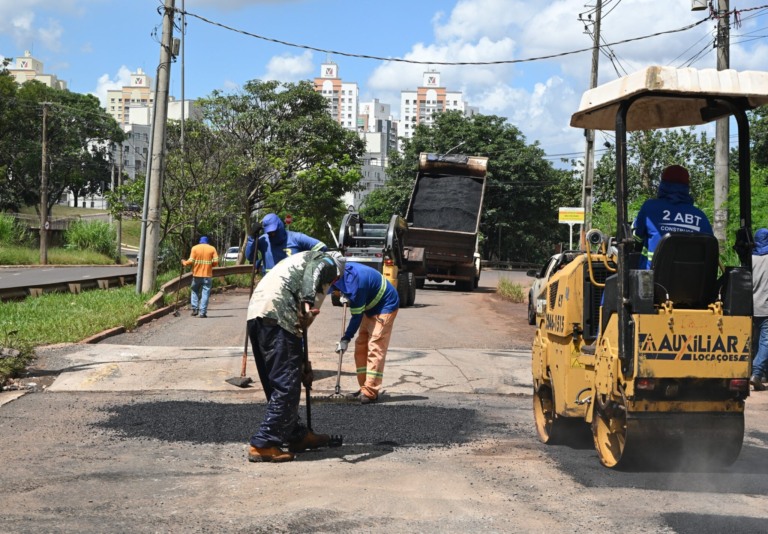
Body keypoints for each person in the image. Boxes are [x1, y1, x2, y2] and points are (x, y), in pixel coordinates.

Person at [246, 250, 345, 463]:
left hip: (258, 316)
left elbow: (298, 329)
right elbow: (316, 269)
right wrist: (308, 299)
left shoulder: (295, 264)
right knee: (286, 386)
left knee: (276, 382)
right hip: (278, 316)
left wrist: (302, 363)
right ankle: (264, 443)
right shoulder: (327, 262)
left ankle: (296, 435)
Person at [332, 261, 400, 404]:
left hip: (386, 305)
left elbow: (356, 317)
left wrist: (346, 339)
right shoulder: (340, 271)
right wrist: (343, 292)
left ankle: (370, 391)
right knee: (361, 345)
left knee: (375, 346)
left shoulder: (357, 286)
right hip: (369, 305)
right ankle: (364, 387)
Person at [632, 164, 713, 269]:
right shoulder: (701, 217)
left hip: (653, 276)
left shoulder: (649, 208)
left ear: (663, 184)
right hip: (693, 278)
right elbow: (710, 249)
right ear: (686, 186)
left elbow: (638, 238)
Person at [245, 213, 327, 273]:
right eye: (269, 232)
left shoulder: (296, 238)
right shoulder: (264, 240)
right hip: (270, 285)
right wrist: (252, 237)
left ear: (280, 226)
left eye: (274, 231)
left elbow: (321, 247)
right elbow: (250, 257)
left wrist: (308, 266)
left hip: (293, 285)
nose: (272, 234)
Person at [182, 236, 219, 318]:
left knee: (194, 291)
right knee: (205, 294)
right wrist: (211, 265)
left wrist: (184, 262)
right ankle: (203, 313)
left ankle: (195, 309)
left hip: (197, 275)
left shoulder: (195, 248)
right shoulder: (212, 248)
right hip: (207, 275)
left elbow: (191, 261)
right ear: (207, 242)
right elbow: (216, 261)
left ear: (200, 241)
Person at [751, 228, 768, 391]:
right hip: (766, 308)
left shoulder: (750, 259)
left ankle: (761, 374)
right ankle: (756, 373)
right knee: (765, 341)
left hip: (751, 307)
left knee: (755, 340)